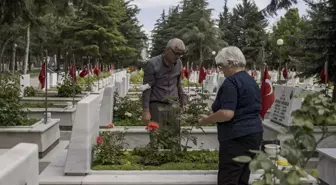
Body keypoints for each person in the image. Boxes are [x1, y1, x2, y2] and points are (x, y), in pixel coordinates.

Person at [199, 46, 263, 185]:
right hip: (254, 134)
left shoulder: (231, 82)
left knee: (228, 179)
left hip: (236, 137)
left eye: (221, 65)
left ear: (230, 63)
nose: (220, 69)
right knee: (242, 178)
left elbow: (227, 114)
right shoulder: (250, 80)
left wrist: (206, 120)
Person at [141, 38, 186, 131]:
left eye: (180, 54)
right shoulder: (152, 64)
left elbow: (178, 84)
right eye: (176, 53)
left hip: (174, 106)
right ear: (167, 50)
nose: (178, 56)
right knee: (157, 139)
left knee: (174, 139)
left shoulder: (179, 63)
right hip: (157, 106)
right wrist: (146, 110)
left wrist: (183, 100)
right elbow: (146, 88)